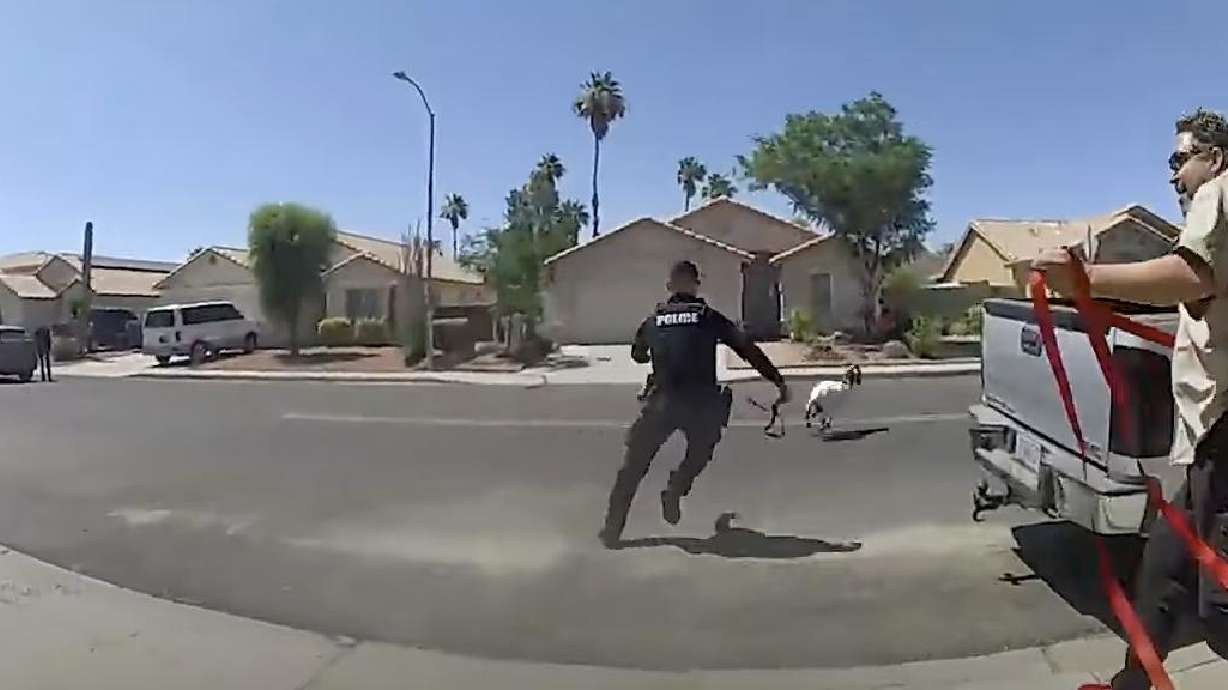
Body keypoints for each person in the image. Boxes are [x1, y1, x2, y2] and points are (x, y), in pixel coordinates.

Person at [1034, 108, 1228, 690]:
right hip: (1212, 436)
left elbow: (1190, 277)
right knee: (1164, 574)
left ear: (1215, 157)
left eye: (1179, 159)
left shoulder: (1221, 192)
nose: (1173, 174)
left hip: (1226, 435)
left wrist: (1084, 278)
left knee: (1221, 609)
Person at [599, 260, 789, 549]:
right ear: (696, 285)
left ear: (669, 286)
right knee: (700, 452)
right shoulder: (708, 317)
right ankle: (675, 489)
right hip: (701, 405)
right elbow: (747, 349)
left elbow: (637, 355)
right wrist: (777, 381)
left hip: (662, 403)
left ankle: (611, 530)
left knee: (633, 468)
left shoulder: (653, 320)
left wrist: (658, 349)